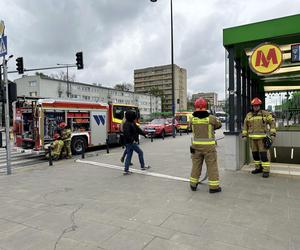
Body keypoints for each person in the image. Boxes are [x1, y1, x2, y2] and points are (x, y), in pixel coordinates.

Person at [189, 97, 222, 193]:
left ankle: (193, 185)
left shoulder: (192, 119)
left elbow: (190, 127)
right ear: (205, 107)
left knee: (196, 166)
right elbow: (219, 125)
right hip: (209, 149)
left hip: (196, 147)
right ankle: (214, 187)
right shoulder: (211, 118)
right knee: (212, 166)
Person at [242, 97, 276, 178]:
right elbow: (245, 126)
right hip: (252, 140)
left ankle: (266, 170)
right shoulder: (249, 115)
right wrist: (244, 135)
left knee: (263, 155)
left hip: (262, 139)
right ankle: (258, 168)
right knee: (255, 155)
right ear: (252, 106)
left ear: (259, 105)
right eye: (254, 106)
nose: (256, 107)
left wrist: (273, 134)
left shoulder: (265, 114)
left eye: (257, 105)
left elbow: (272, 123)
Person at [122, 110, 150, 175]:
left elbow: (138, 129)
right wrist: (133, 140)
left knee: (129, 155)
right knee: (140, 152)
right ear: (130, 116)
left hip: (130, 142)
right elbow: (127, 134)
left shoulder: (131, 122)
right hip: (130, 142)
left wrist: (144, 134)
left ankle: (126, 170)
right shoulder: (126, 124)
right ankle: (142, 166)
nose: (135, 117)